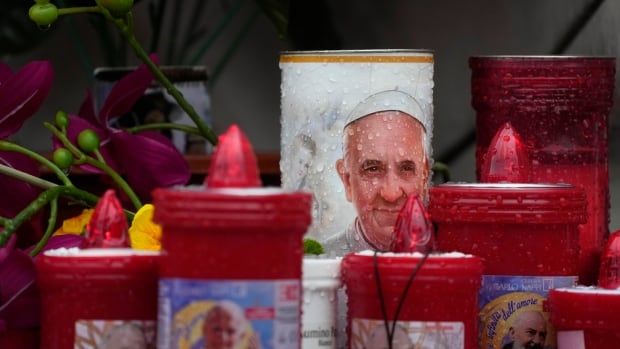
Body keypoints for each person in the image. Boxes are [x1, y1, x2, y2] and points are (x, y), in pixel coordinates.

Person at [323, 90, 430, 255]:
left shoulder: (454, 255)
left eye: (406, 169)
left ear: (424, 176)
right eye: (372, 169)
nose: (391, 193)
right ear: (347, 181)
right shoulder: (315, 264)